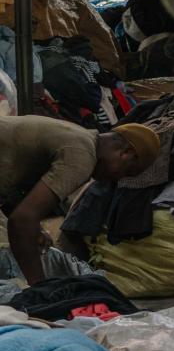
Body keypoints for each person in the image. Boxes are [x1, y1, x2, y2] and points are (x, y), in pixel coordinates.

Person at [0, 117, 159, 284]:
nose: (117, 180)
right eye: (127, 172)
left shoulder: (80, 138)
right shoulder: (82, 157)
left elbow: (14, 200)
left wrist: (35, 230)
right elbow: (22, 220)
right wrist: (39, 287)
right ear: (126, 153)